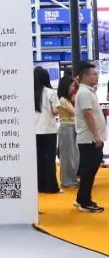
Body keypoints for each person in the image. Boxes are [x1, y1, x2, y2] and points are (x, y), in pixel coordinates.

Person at [73, 62, 104, 213]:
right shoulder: (84, 92)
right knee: (88, 171)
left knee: (89, 170)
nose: (97, 76)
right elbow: (88, 114)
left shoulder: (87, 91)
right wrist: (97, 136)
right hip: (89, 138)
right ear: (84, 76)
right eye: (94, 74)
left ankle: (82, 199)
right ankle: (84, 201)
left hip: (90, 138)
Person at [34, 66, 60, 194]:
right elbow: (55, 111)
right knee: (49, 159)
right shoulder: (51, 92)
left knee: (38, 159)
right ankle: (51, 187)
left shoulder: (28, 93)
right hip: (49, 130)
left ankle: (39, 186)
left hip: (34, 130)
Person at [57, 73, 79, 189]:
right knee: (67, 157)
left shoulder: (68, 99)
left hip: (72, 128)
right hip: (66, 128)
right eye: (71, 86)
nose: (73, 88)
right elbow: (75, 112)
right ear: (66, 86)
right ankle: (67, 181)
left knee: (74, 155)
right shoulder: (62, 100)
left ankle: (71, 178)